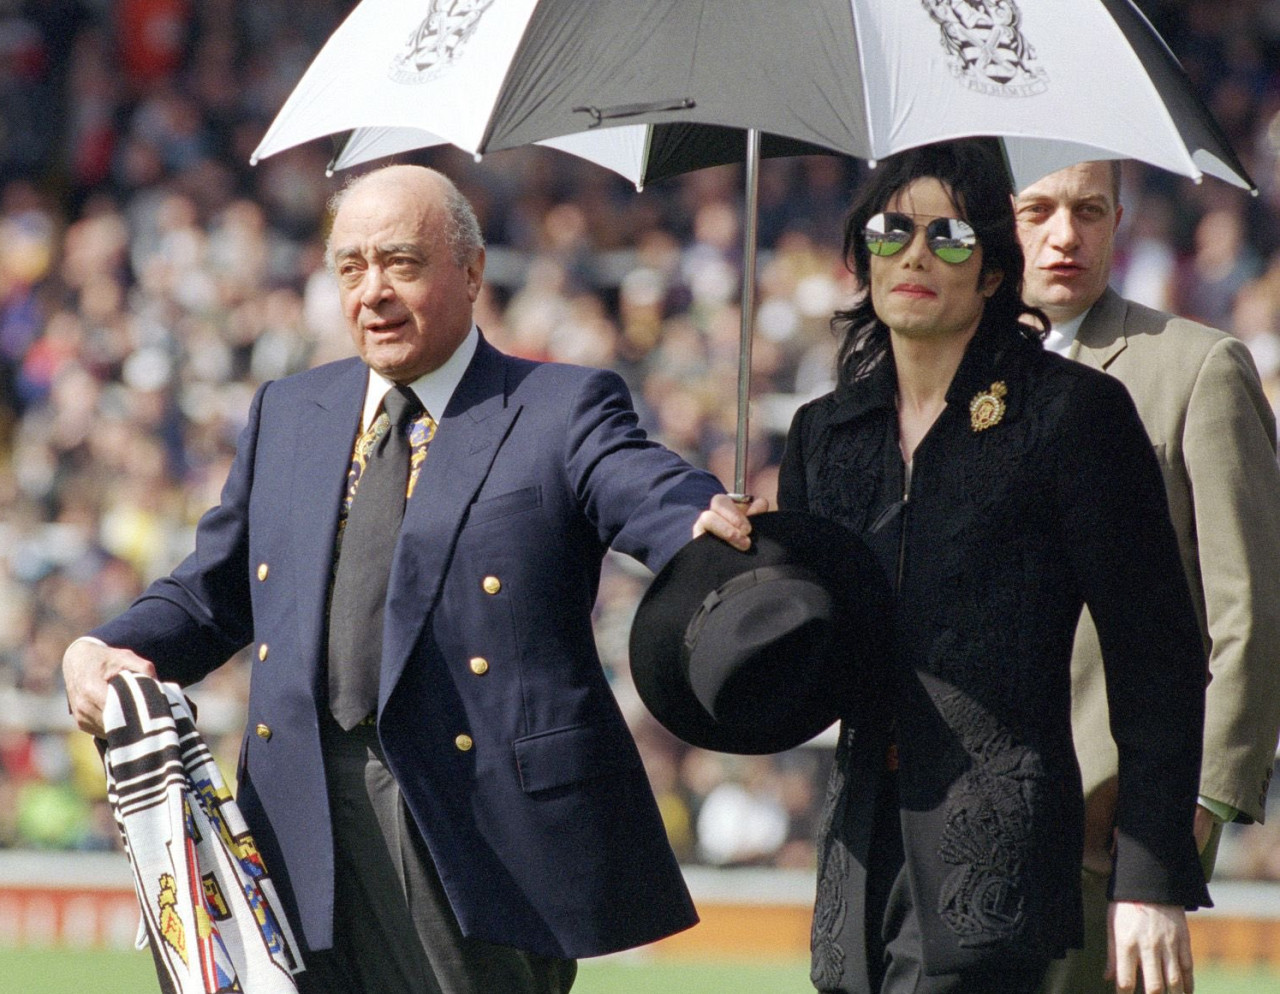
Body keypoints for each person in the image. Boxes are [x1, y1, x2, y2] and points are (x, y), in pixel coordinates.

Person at [62, 164, 725, 994]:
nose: (372, 291)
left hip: (474, 835)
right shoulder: (289, 411)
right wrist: (103, 645)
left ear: (473, 271)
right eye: (351, 266)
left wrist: (705, 524)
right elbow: (214, 590)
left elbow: (648, 491)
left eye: (402, 262)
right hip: (293, 826)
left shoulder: (560, 405)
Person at [696, 139, 1209, 994]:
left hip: (999, 856)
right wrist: (736, 581)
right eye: (893, 233)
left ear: (996, 271)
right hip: (856, 860)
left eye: (953, 237)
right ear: (862, 257)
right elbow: (815, 674)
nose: (919, 256)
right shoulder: (825, 434)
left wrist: (1150, 877)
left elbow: (1155, 654)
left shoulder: (1073, 414)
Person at [1015, 160, 1280, 994]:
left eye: (1089, 210)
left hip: (1113, 823)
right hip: (958, 826)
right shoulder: (943, 377)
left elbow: (1251, 607)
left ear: (1119, 219)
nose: (1066, 234)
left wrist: (1191, 814)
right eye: (1039, 210)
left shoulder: (1198, 368)